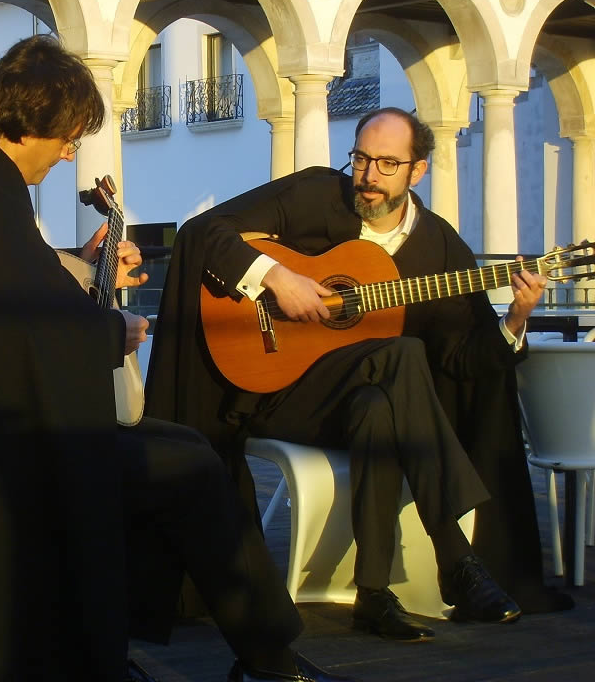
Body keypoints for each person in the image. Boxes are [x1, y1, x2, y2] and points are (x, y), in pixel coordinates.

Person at [0, 34, 355, 682]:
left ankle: (242, 653)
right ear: (32, 119)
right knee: (188, 467)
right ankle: (255, 658)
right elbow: (12, 328)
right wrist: (109, 332)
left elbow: (13, 300)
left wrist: (86, 279)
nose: (67, 154)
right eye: (66, 137)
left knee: (190, 455)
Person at [146, 107, 568, 644]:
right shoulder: (318, 195)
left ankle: (374, 594)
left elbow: (466, 361)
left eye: (386, 164)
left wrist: (516, 316)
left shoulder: (437, 247)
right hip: (273, 393)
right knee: (402, 356)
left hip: (352, 407)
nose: (367, 176)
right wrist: (277, 277)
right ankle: (456, 558)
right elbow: (205, 232)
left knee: (383, 393)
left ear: (418, 171)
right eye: (362, 158)